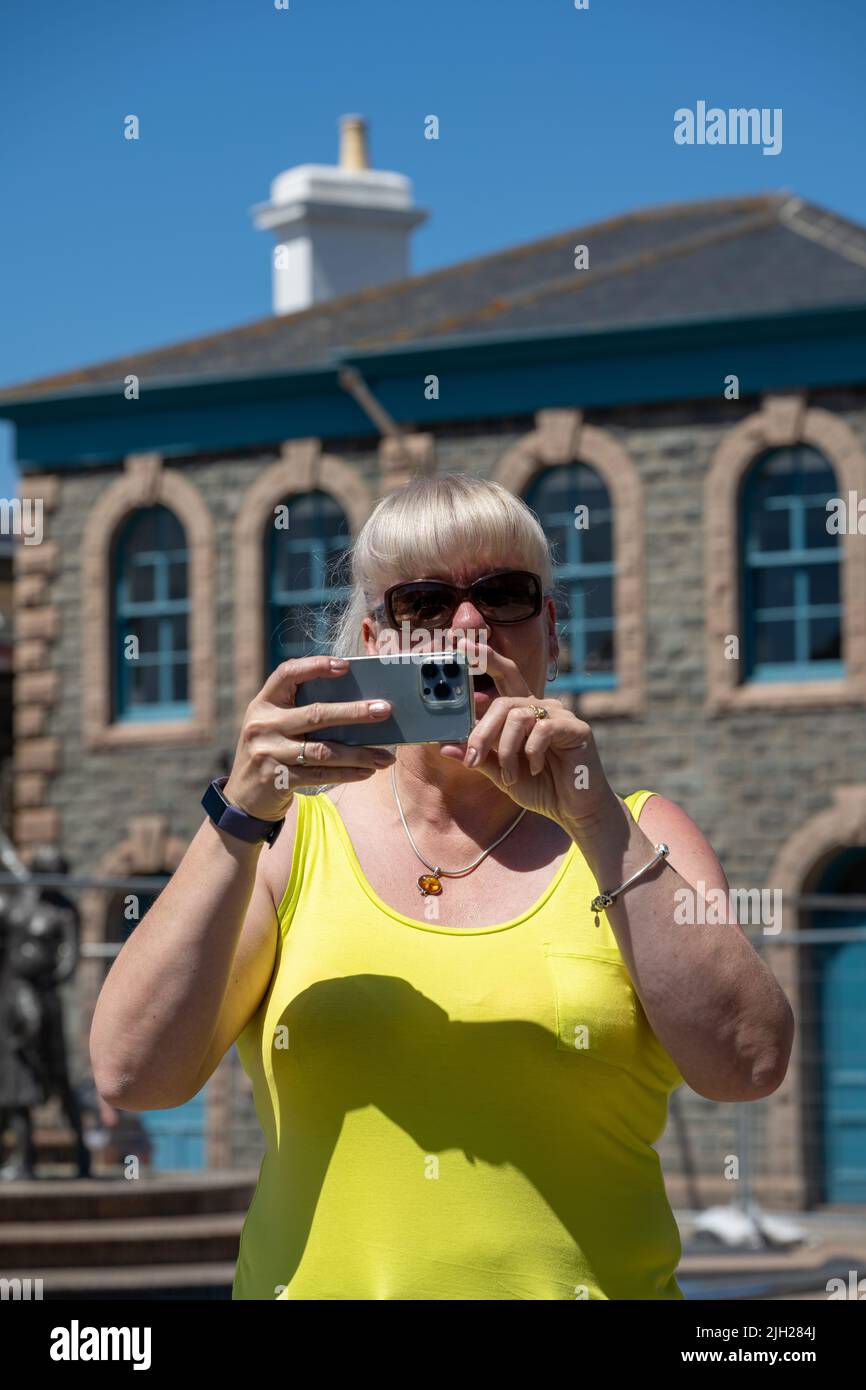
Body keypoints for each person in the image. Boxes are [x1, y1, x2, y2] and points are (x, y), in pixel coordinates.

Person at [90, 472, 794, 1300]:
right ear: (373, 642)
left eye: (503, 594)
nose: (468, 625)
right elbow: (135, 1072)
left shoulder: (638, 833)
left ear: (551, 632)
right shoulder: (290, 838)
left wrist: (593, 816)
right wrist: (239, 811)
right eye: (424, 602)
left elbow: (748, 1062)